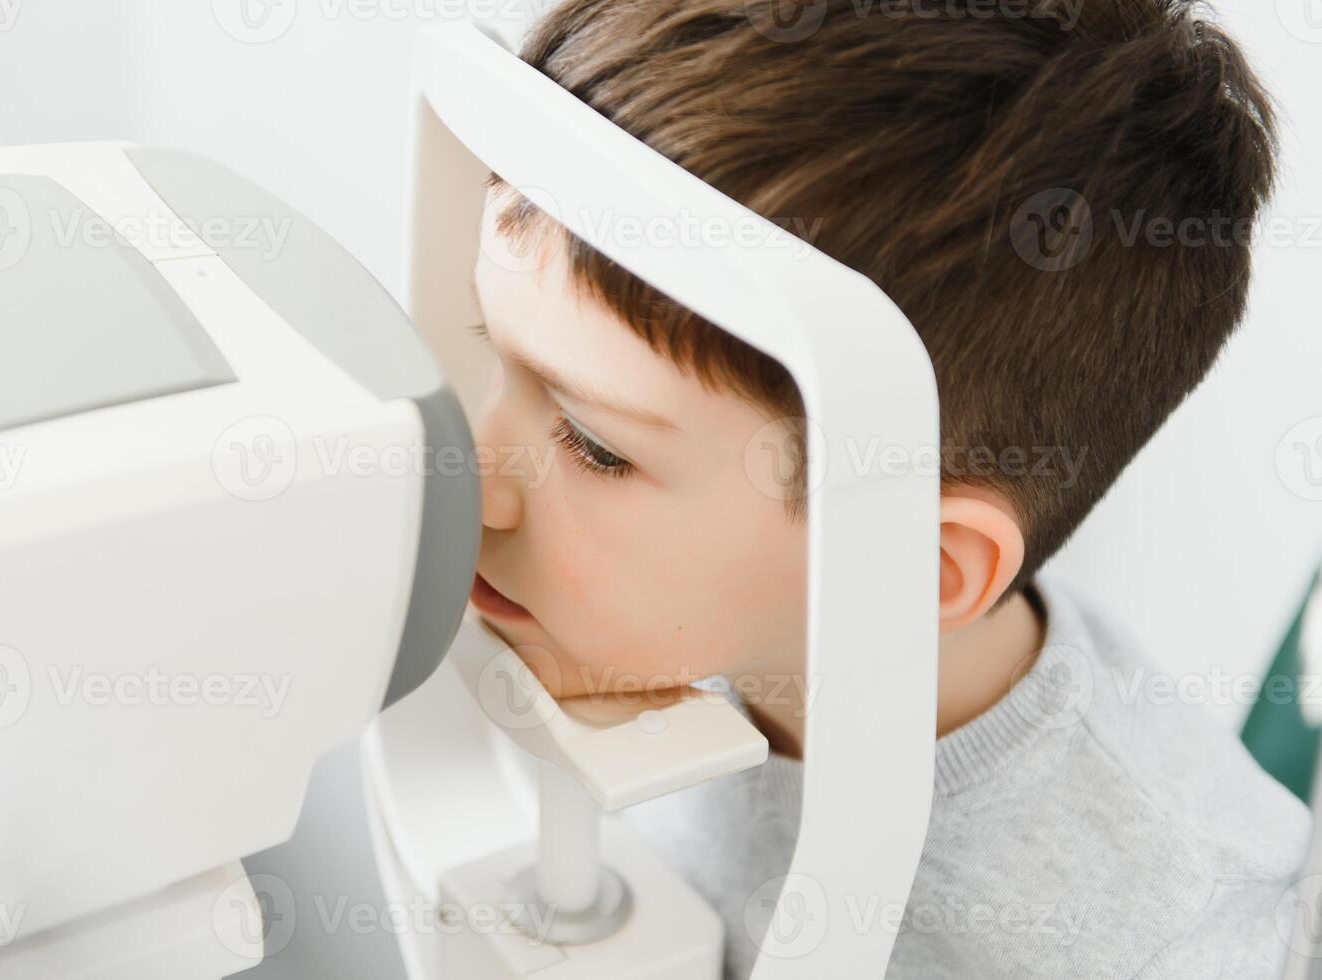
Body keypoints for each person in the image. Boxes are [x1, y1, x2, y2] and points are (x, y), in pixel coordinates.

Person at [462, 0, 1311, 975]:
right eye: (494, 349)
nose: (476, 479)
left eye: (593, 444)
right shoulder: (624, 627)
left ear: (910, 564)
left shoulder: (1181, 936)